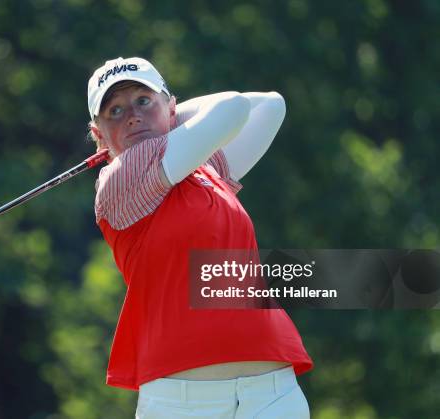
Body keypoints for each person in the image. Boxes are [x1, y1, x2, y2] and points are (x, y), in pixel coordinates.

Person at [87, 57, 313, 418]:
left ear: (171, 105)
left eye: (143, 101)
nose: (132, 116)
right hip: (183, 403)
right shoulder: (118, 181)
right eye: (115, 111)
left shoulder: (203, 168)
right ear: (98, 135)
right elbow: (233, 108)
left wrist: (171, 116)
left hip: (271, 393)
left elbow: (270, 105)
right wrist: (166, 114)